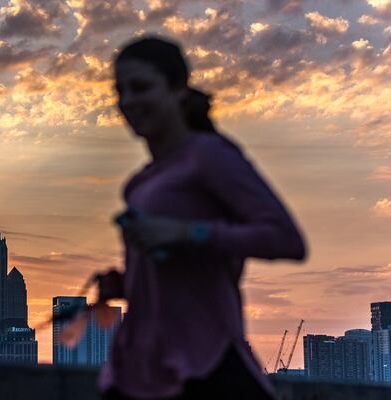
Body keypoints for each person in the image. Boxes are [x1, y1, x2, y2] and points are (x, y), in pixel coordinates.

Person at [97, 36, 306, 400]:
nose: (128, 101)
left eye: (141, 87)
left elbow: (285, 239)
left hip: (204, 361)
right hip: (140, 367)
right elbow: (177, 274)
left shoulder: (210, 156)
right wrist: (126, 284)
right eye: (120, 91)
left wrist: (187, 232)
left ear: (178, 90)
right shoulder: (139, 183)